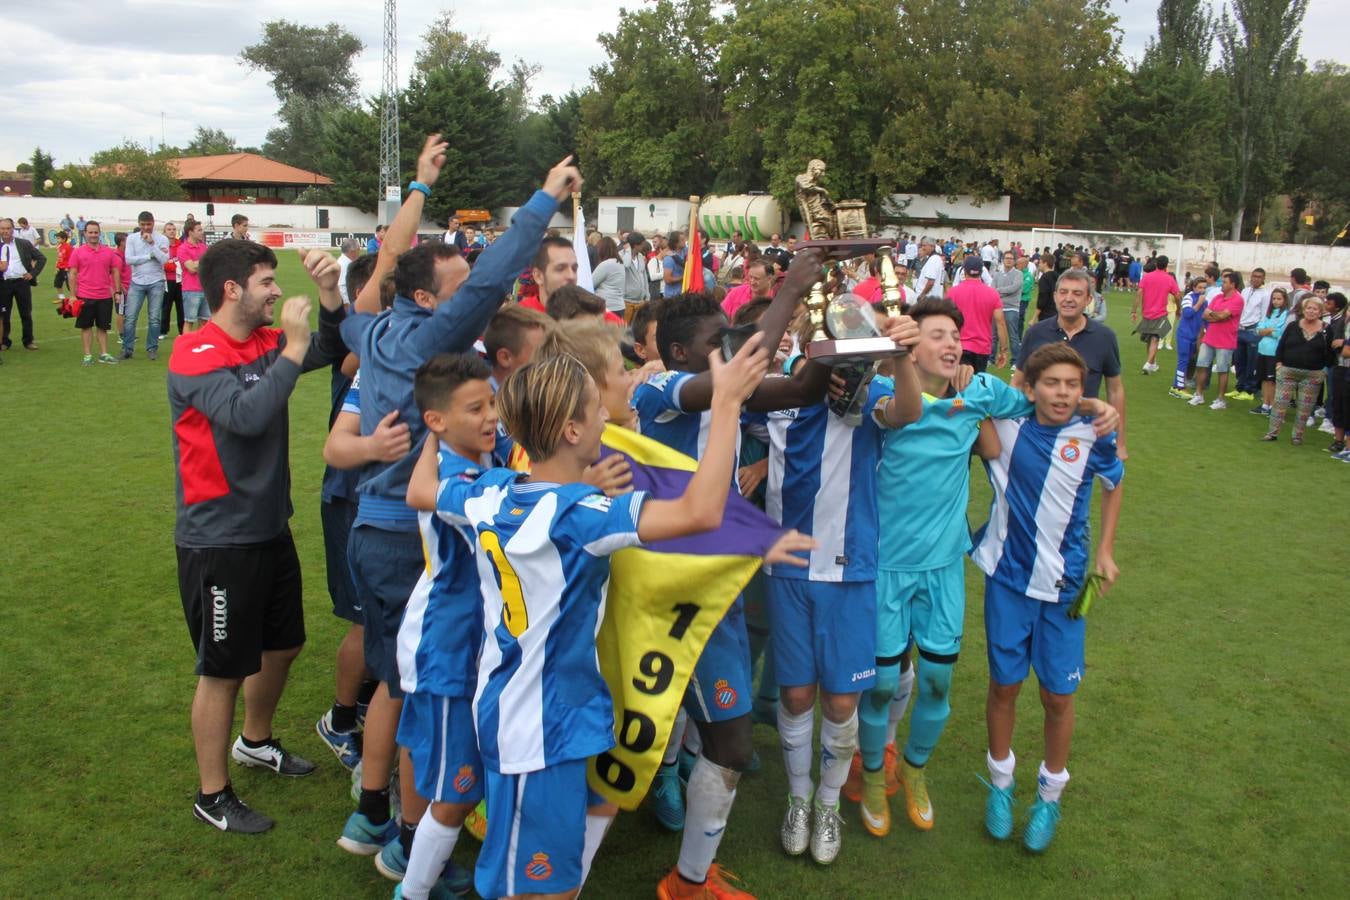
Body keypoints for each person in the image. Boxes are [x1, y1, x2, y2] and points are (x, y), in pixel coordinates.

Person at [407, 345, 805, 900]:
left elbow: (419, 490)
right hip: (535, 729)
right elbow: (701, 512)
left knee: (595, 810)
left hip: (546, 707)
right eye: (595, 409)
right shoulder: (582, 517)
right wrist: (729, 402)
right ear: (572, 430)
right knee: (539, 891)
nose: (605, 418)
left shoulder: (489, 491)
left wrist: (429, 435)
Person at [336, 137, 578, 878]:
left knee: (400, 685)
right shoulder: (426, 336)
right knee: (427, 697)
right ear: (426, 301)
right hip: (410, 538)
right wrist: (545, 198)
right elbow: (495, 277)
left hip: (377, 530)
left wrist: (419, 186)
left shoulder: (373, 328)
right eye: (457, 279)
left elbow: (374, 282)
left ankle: (372, 814)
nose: (474, 284)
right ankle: (413, 840)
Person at [859, 298, 1120, 842]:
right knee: (883, 682)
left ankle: (915, 770)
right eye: (936, 335)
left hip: (944, 565)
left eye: (956, 334)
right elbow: (905, 410)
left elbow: (1046, 397)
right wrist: (896, 358)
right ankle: (872, 775)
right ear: (909, 342)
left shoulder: (983, 394)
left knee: (936, 679)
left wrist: (1095, 406)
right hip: (885, 565)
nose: (952, 343)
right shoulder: (882, 394)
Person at [635, 251, 825, 897]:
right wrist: (792, 283)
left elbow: (802, 390)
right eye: (719, 344)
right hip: (652, 597)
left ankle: (688, 880)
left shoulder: (727, 400)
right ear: (681, 353)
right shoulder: (656, 392)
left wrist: (838, 332)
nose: (732, 353)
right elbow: (731, 383)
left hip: (713, 595)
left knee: (734, 746)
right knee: (617, 744)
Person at [170, 240, 348, 833]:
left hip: (270, 526)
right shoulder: (195, 351)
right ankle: (212, 793)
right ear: (232, 290)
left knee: (284, 645)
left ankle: (255, 740)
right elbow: (245, 418)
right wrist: (294, 348)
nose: (276, 290)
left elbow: (333, 347)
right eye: (267, 281)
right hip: (219, 538)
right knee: (221, 668)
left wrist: (329, 297)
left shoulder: (265, 341)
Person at [765, 311, 920, 864]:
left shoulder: (869, 391)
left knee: (839, 699)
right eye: (826, 335)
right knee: (797, 693)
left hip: (850, 569)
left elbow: (906, 411)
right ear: (807, 341)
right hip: (787, 566)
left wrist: (900, 358)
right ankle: (799, 797)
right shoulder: (777, 388)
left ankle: (828, 803)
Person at [973, 342, 1123, 854]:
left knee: (1058, 696)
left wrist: (1105, 549)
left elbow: (1114, 481)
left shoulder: (1095, 431)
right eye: (1052, 383)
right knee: (1005, 688)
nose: (1063, 393)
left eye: (1073, 385)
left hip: (1068, 586)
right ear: (1031, 386)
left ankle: (1050, 795)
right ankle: (1000, 785)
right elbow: (977, 394)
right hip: (1007, 581)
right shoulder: (1007, 425)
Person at [389, 353, 500, 900]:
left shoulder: (468, 457)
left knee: (461, 779)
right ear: (436, 420)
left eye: (493, 403)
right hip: (446, 647)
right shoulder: (462, 482)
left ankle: (417, 860)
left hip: (468, 644)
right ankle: (411, 888)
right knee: (458, 786)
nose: (490, 417)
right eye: (475, 408)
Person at [1016, 270, 1128, 459]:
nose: (1068, 299)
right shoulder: (1035, 333)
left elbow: (1115, 390)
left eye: (1077, 294)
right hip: (1039, 433)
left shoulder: (1105, 337)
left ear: (1088, 299)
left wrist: (1120, 442)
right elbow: (1018, 383)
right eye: (1063, 292)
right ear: (1055, 296)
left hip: (1083, 435)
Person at [1263, 295, 1335, 445]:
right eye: (1308, 308)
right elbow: (1281, 346)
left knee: (1304, 408)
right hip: (1288, 371)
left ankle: (1297, 436)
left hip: (1313, 374)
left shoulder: (1327, 330)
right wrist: (1279, 364)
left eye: (1315, 309)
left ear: (1320, 312)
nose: (1311, 311)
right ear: (1303, 310)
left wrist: (1324, 371)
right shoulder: (1293, 326)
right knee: (1280, 403)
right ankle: (1272, 433)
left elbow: (1330, 353)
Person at [67, 220, 122, 365]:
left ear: (100, 233)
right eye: (90, 232)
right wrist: (72, 295)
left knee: (103, 327)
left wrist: (116, 292)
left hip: (104, 296)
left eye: (95, 232)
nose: (93, 235)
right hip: (85, 296)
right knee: (86, 327)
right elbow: (72, 274)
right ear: (85, 233)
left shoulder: (108, 252)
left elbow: (115, 271)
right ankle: (87, 355)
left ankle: (104, 353)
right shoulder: (78, 252)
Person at [1188, 271, 1245, 410]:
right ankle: (1199, 394)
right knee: (1201, 365)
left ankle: (1221, 399)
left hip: (1225, 341)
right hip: (1210, 338)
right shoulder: (1218, 297)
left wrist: (1216, 316)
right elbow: (1205, 315)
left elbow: (1222, 315)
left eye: (1225, 282)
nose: (1222, 284)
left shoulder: (1238, 299)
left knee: (1222, 370)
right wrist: (1218, 316)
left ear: (1233, 284)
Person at [120, 211, 170, 360]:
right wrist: (149, 256)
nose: (146, 227)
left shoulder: (161, 239)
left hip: (156, 281)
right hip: (137, 281)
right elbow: (129, 259)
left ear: (153, 223)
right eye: (143, 224)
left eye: (149, 224)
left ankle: (152, 348)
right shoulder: (132, 238)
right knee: (130, 317)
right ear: (139, 224)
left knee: (154, 318)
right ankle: (127, 349)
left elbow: (163, 260)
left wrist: (152, 245)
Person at [948, 256, 1008, 373]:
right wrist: (1003, 350)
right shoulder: (992, 293)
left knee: (958, 386)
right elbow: (1000, 322)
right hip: (982, 348)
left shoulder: (953, 293)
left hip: (959, 346)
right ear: (981, 271)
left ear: (964, 271)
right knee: (978, 387)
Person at [0, 216, 47, 352]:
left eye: (8, 228)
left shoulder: (24, 244)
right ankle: (4, 341)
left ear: (13, 229)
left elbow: (41, 258)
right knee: (4, 315)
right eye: (2, 228)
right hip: (3, 284)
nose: (5, 231)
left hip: (22, 283)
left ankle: (28, 341)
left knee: (26, 313)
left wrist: (32, 273)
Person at [1132, 254, 1179, 374]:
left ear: (1156, 264)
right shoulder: (1169, 279)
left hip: (1147, 313)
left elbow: (1139, 293)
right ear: (1166, 265)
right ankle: (1148, 363)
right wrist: (1179, 309)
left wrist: (1134, 310)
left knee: (1150, 339)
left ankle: (1152, 363)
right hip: (1161, 313)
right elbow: (1177, 295)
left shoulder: (1147, 277)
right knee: (1155, 338)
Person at [1248, 287, 1289, 416]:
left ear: (1284, 300)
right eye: (1274, 298)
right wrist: (1268, 330)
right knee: (1264, 379)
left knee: (1272, 381)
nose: (1276, 301)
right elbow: (1258, 329)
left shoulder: (1285, 314)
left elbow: (1278, 332)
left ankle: (1272, 406)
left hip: (1274, 352)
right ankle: (1265, 404)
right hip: (1263, 349)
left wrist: (1267, 331)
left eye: (1279, 299)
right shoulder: (1269, 313)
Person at [1168, 276, 1210, 398]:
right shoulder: (1189, 297)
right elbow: (1186, 313)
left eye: (1204, 288)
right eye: (1200, 287)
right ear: (1193, 287)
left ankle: (1175, 386)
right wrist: (1199, 303)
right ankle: (1179, 388)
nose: (1202, 290)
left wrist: (1207, 332)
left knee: (1186, 362)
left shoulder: (1205, 301)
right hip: (1184, 335)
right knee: (1183, 361)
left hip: (1194, 337)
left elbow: (1206, 319)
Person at [1232, 268, 1271, 399]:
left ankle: (1249, 390)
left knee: (1251, 362)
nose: (1256, 279)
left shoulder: (1266, 294)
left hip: (1253, 330)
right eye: (1254, 276)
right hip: (1241, 328)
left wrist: (1258, 330)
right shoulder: (1245, 291)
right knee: (1239, 360)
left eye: (1259, 277)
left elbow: (1265, 314)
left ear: (1263, 279)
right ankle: (1240, 386)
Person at [991, 251, 1023, 363]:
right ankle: (991, 358)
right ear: (1003, 260)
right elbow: (992, 289)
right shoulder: (997, 274)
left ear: (1014, 261)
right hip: (997, 308)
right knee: (994, 336)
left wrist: (998, 291)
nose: (1008, 260)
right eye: (1006, 258)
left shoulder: (1018, 274)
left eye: (1011, 258)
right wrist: (999, 292)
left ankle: (1015, 361)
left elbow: (1013, 288)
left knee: (1013, 336)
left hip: (1011, 308)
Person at [160, 221, 184, 340]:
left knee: (181, 307)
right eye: (169, 229)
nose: (172, 231)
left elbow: (183, 263)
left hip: (181, 281)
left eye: (173, 229)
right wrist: (173, 264)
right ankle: (163, 331)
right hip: (166, 281)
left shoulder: (181, 245)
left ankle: (182, 330)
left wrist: (171, 264)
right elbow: (162, 264)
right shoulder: (162, 247)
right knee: (166, 307)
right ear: (164, 232)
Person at [591, 236, 626, 315]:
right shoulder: (619, 263)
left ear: (602, 249)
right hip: (619, 305)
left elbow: (591, 283)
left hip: (607, 306)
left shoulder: (606, 264)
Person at [336, 238, 363, 307]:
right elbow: (341, 287)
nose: (359, 251)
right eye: (358, 249)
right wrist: (347, 306)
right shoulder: (344, 265)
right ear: (352, 251)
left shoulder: (344, 262)